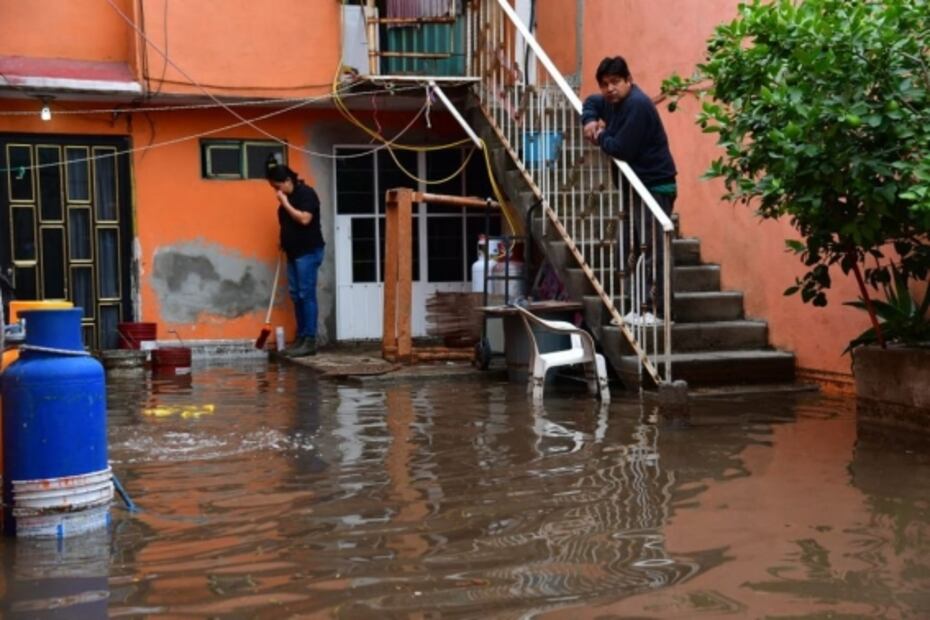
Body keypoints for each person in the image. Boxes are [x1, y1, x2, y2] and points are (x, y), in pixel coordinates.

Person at [582, 56, 677, 325]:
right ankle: (639, 306)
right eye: (604, 84)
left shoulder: (637, 105)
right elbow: (591, 102)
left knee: (654, 249)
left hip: (654, 186)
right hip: (636, 187)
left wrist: (600, 136)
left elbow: (621, 148)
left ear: (628, 81)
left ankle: (658, 311)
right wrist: (590, 120)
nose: (609, 89)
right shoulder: (612, 102)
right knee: (635, 248)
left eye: (615, 82)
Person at [266, 156, 325, 357]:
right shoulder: (286, 200)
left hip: (308, 253)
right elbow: (288, 225)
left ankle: (310, 339)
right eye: (275, 189)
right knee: (296, 295)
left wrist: (285, 203)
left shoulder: (306, 194)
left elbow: (304, 219)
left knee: (306, 294)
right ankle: (301, 337)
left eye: (278, 187)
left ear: (288, 181)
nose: (277, 192)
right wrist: (284, 242)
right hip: (293, 254)